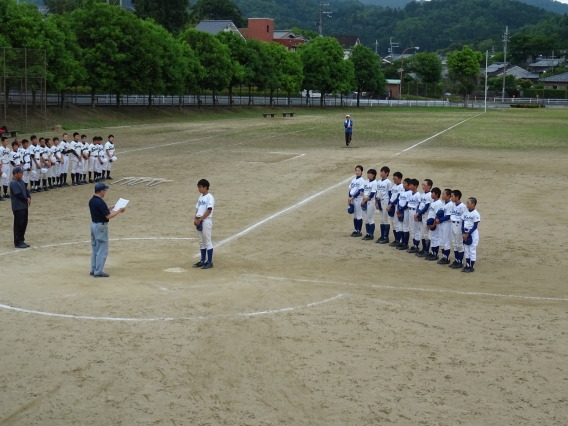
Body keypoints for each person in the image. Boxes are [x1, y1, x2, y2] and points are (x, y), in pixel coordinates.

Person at [88, 182, 126, 277]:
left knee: (95, 249)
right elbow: (108, 216)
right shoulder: (100, 202)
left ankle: (93, 269)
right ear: (101, 191)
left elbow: (100, 211)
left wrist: (108, 208)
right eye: (104, 190)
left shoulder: (92, 200)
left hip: (93, 225)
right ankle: (98, 271)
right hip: (101, 227)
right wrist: (119, 211)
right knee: (102, 250)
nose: (105, 192)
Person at [193, 179, 215, 269]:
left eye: (200, 187)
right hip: (199, 220)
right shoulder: (200, 197)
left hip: (205, 221)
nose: (199, 189)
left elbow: (209, 210)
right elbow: (197, 209)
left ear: (205, 187)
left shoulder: (210, 197)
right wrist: (195, 218)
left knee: (207, 242)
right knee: (202, 242)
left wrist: (200, 219)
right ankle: (202, 261)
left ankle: (209, 262)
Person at [10, 166, 31, 248]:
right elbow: (18, 194)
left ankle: (21, 239)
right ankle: (17, 241)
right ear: (15, 174)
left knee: (24, 223)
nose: (22, 174)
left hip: (23, 206)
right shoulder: (13, 183)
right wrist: (26, 199)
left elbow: (26, 190)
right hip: (18, 207)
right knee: (18, 224)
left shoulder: (21, 181)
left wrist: (29, 197)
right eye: (21, 173)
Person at [449, 190, 468, 269]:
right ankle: (456, 260)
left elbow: (464, 219)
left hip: (458, 225)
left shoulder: (462, 206)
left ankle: (460, 261)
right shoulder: (453, 205)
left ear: (457, 197)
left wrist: (464, 230)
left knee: (459, 244)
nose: (451, 197)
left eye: (452, 196)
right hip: (452, 225)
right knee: (455, 243)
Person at [462, 197, 481, 273]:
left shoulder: (476, 213)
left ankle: (471, 266)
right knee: (467, 250)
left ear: (473, 204)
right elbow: (463, 223)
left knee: (472, 250)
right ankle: (467, 265)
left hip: (472, 234)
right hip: (465, 232)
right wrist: (463, 233)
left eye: (468, 203)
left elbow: (475, 226)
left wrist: (468, 234)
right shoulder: (465, 211)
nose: (466, 204)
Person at [415, 179, 433, 257]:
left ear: (429, 186)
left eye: (424, 185)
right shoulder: (422, 195)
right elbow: (419, 205)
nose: (422, 186)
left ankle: (426, 250)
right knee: (422, 233)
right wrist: (417, 213)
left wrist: (418, 213)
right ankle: (423, 249)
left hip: (426, 215)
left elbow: (426, 207)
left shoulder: (430, 195)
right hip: (421, 215)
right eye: (422, 184)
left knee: (426, 234)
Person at [436, 188, 454, 265]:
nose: (442, 195)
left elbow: (448, 216)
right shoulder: (443, 204)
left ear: (449, 196)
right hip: (441, 224)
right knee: (441, 240)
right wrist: (437, 219)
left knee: (445, 241)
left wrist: (439, 220)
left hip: (447, 224)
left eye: (444, 194)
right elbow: (439, 213)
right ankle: (444, 256)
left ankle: (447, 258)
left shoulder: (450, 204)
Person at [425, 187, 444, 261]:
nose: (431, 194)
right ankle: (432, 252)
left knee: (435, 238)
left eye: (433, 193)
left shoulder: (439, 203)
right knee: (432, 238)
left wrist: (433, 224)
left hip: (435, 223)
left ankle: (435, 254)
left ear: (436, 194)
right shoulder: (433, 202)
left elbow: (437, 215)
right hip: (431, 222)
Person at [375, 166, 392, 244]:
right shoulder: (378, 182)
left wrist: (389, 204)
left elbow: (389, 193)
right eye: (381, 172)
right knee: (381, 220)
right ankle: (382, 236)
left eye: (383, 172)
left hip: (386, 201)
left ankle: (386, 237)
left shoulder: (388, 182)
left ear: (387, 173)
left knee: (385, 219)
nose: (381, 173)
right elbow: (377, 193)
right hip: (380, 200)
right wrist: (377, 202)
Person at [347, 165, 365, 237]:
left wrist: (352, 197)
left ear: (361, 172)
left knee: (358, 215)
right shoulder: (353, 180)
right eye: (356, 170)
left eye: (359, 171)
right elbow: (350, 190)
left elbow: (360, 190)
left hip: (358, 199)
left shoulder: (362, 180)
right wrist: (349, 198)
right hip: (352, 199)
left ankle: (359, 231)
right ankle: (355, 230)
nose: (357, 172)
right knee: (354, 216)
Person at [387, 172, 404, 246]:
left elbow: (398, 198)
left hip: (397, 206)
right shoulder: (393, 186)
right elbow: (391, 196)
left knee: (397, 224)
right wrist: (389, 204)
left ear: (400, 179)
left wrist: (391, 204)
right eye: (393, 178)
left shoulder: (401, 187)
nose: (394, 180)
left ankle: (399, 240)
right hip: (392, 205)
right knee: (393, 223)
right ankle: (396, 239)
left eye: (395, 179)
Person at [395, 178, 412, 250]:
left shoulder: (410, 193)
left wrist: (400, 210)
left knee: (405, 227)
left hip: (405, 211)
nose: (403, 184)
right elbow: (399, 201)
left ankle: (405, 244)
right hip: (400, 210)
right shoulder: (402, 192)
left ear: (409, 185)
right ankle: (401, 242)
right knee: (400, 227)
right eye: (403, 183)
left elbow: (407, 204)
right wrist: (398, 209)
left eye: (405, 183)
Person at [361, 169, 377, 240]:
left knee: (370, 218)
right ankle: (367, 233)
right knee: (366, 219)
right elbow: (362, 189)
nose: (368, 175)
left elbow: (372, 194)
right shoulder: (365, 182)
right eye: (368, 173)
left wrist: (364, 201)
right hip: (365, 201)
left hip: (370, 202)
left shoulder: (375, 183)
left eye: (370, 173)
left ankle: (371, 234)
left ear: (373, 175)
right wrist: (361, 192)